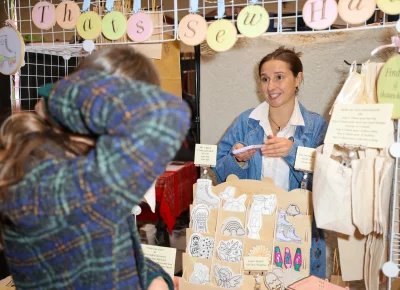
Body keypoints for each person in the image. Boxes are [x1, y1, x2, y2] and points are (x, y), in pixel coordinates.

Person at [0, 47, 190, 289]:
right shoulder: (48, 178)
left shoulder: (80, 167)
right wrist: (55, 101)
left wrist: (154, 277)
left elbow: (108, 250)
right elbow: (168, 115)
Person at [213, 47, 328, 278]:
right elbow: (219, 171)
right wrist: (237, 159)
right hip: (252, 227)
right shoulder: (247, 122)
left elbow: (329, 183)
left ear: (298, 79)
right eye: (265, 79)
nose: (271, 86)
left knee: (298, 282)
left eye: (279, 77)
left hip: (298, 230)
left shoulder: (316, 126)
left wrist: (294, 153)